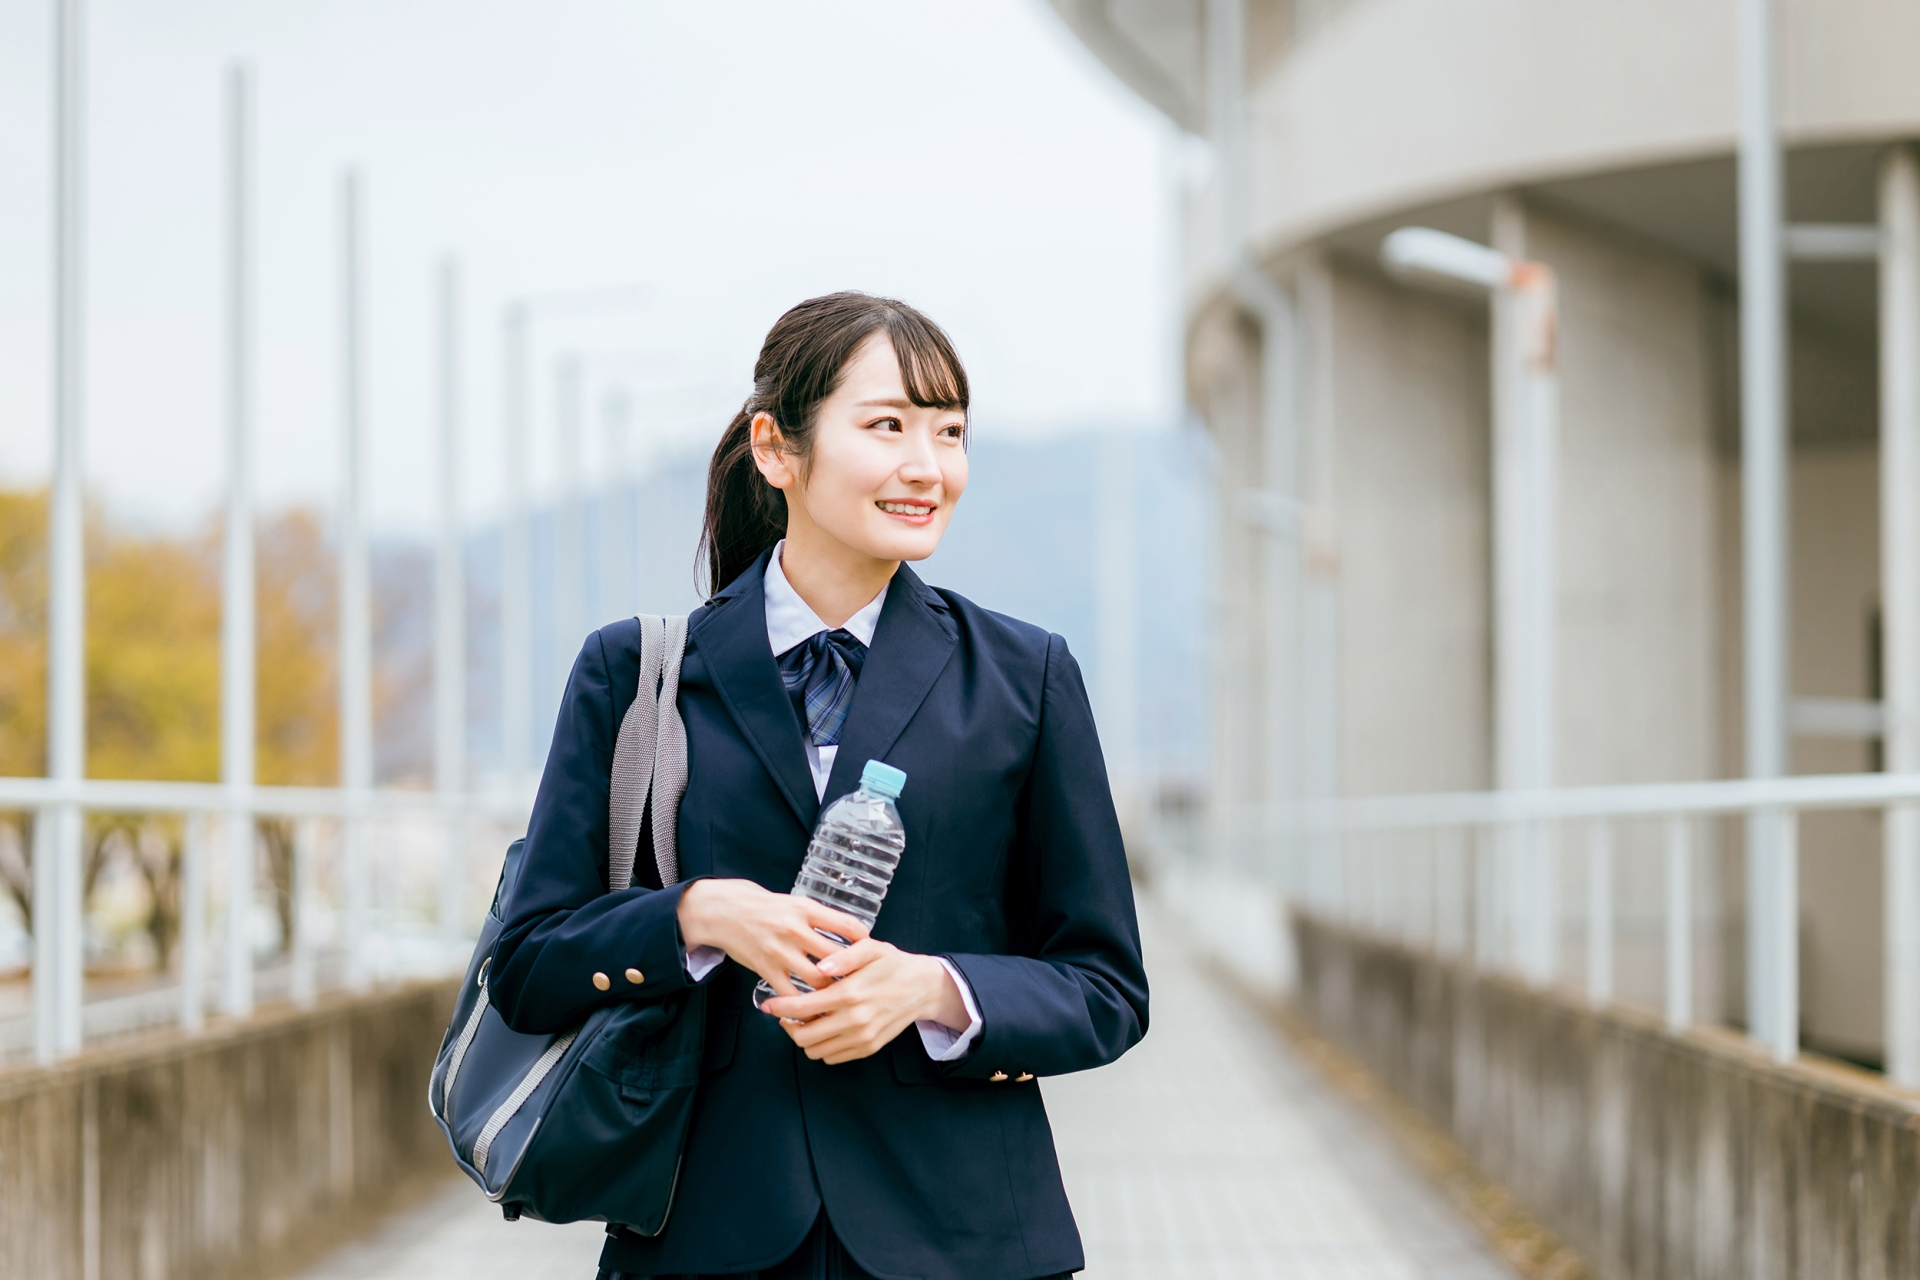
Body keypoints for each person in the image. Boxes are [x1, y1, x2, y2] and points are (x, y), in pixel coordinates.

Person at [490, 292, 1148, 1280]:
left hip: (965, 1238)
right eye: (887, 425)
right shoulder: (636, 675)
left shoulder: (1025, 675)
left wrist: (934, 988)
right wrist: (697, 916)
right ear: (776, 447)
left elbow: (1106, 986)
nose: (928, 465)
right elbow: (527, 961)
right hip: (705, 1231)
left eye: (950, 431)